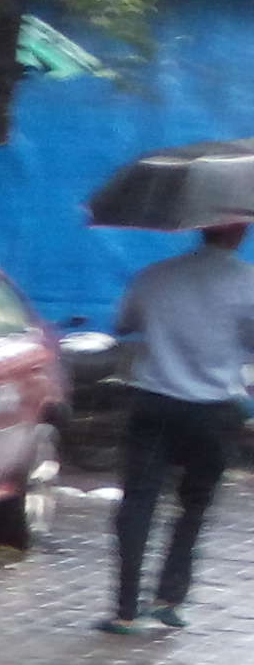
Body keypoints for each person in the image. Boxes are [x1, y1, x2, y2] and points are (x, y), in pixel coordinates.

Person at [104, 221, 254, 633]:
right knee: (194, 505)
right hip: (216, 412)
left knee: (138, 501)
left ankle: (125, 607)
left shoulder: (155, 276)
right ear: (240, 230)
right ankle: (169, 598)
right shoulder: (248, 284)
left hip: (154, 403)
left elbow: (124, 323)